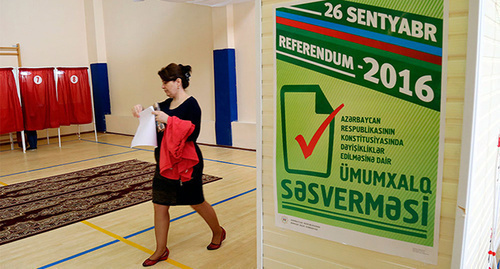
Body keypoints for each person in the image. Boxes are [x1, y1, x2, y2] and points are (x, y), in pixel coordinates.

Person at [132, 63, 225, 267]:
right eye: (162, 82)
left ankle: (218, 232)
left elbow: (193, 133)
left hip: (188, 163)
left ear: (178, 82)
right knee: (160, 205)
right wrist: (141, 114)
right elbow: (156, 130)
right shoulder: (162, 105)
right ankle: (160, 250)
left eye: (166, 82)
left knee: (196, 201)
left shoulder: (192, 105)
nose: (163, 86)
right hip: (165, 162)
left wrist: (170, 120)